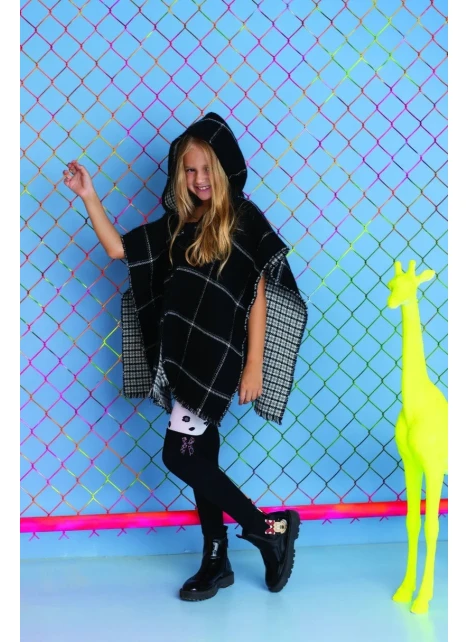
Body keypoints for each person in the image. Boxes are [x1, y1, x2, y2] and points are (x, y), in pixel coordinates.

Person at [63, 112, 308, 601]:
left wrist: (255, 364)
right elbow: (118, 250)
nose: (198, 179)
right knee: (202, 454)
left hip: (218, 357)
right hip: (183, 354)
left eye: (206, 169)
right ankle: (216, 560)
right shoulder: (177, 225)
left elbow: (257, 295)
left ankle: (270, 529)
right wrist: (88, 196)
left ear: (224, 168)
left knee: (179, 453)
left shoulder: (243, 220)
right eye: (189, 170)